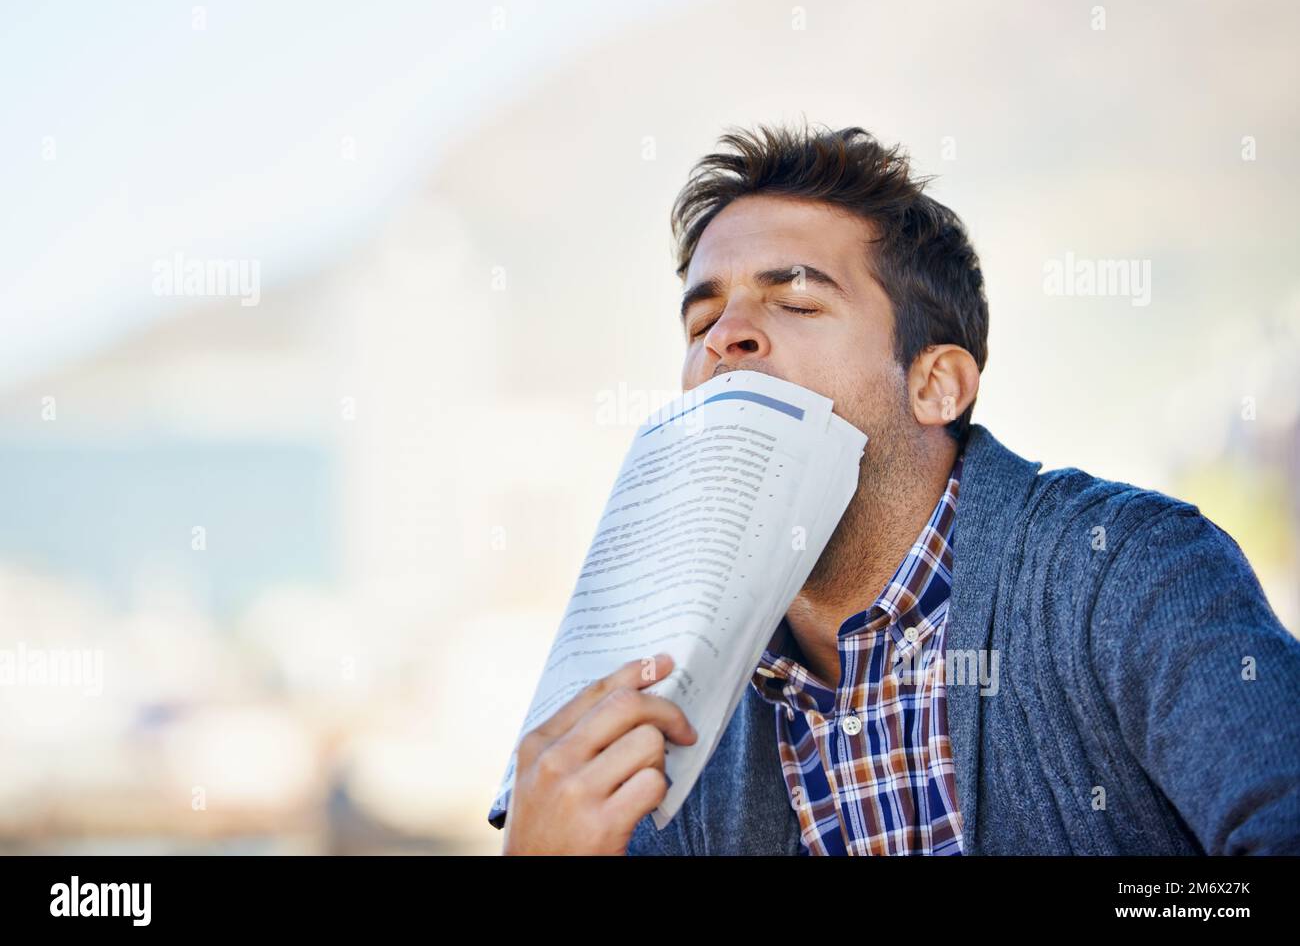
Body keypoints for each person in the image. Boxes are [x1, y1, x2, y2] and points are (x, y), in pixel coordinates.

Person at [495, 122, 1300, 855]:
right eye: (700, 323)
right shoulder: (667, 727)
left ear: (938, 386)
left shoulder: (1128, 573)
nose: (724, 339)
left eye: (797, 299)